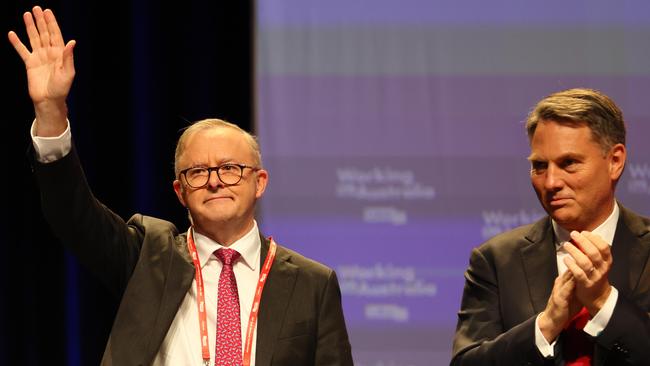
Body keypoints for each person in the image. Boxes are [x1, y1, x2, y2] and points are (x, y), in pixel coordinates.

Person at [9, 6, 353, 366]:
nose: (215, 181)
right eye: (198, 172)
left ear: (259, 182)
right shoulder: (148, 258)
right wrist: (51, 111)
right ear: (180, 191)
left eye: (231, 168)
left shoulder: (313, 283)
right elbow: (73, 214)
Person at [451, 88, 650, 365]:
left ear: (615, 161)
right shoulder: (496, 260)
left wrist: (604, 302)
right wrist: (546, 325)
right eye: (540, 166)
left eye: (569, 163)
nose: (551, 182)